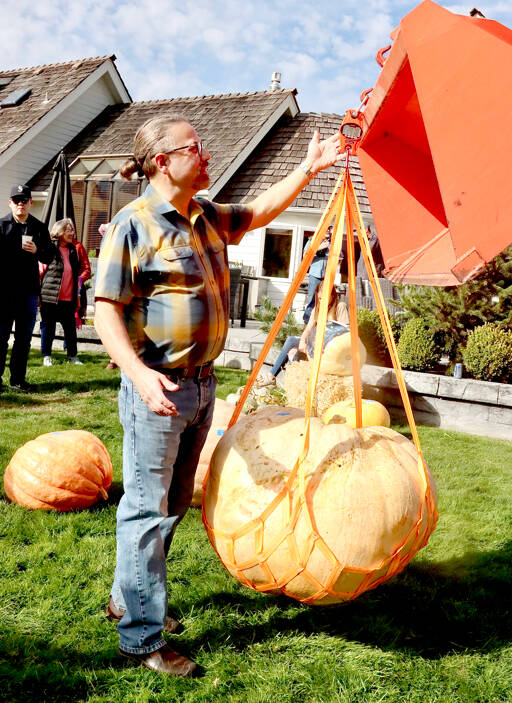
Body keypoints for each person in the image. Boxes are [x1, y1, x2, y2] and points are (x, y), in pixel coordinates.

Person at [94, 113, 342, 676]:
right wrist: (136, 373)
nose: (206, 155)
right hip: (158, 388)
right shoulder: (132, 226)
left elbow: (257, 213)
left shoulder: (204, 215)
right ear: (164, 161)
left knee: (175, 504)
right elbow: (105, 308)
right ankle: (141, 638)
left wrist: (307, 167)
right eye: (196, 146)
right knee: (144, 510)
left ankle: (125, 599)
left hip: (202, 387)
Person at [0, 185, 54, 391]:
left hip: (28, 292)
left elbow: (50, 256)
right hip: (4, 292)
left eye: (24, 200)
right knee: (1, 337)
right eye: (16, 200)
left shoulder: (39, 228)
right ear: (10, 203)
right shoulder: (1, 226)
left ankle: (17, 381)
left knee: (23, 339)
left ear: (31, 202)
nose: (20, 204)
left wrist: (37, 250)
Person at [260, 285, 349, 384]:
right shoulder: (317, 308)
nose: (321, 301)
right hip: (316, 342)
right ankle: (272, 376)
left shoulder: (340, 306)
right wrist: (302, 341)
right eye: (319, 298)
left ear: (332, 296)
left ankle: (285, 378)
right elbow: (307, 330)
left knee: (294, 353)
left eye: (325, 298)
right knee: (291, 341)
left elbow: (345, 330)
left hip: (331, 346)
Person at [40, 218, 86, 366]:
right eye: (68, 230)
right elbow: (40, 271)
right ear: (59, 232)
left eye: (72, 230)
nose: (72, 233)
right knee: (49, 327)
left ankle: (72, 356)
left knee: (70, 329)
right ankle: (47, 356)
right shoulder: (49, 248)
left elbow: (76, 274)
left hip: (69, 297)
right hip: (50, 296)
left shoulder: (73, 250)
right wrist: (38, 295)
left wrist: (77, 296)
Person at [302, 226, 332, 323]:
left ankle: (319, 322)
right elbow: (305, 255)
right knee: (312, 299)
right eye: (326, 228)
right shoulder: (313, 240)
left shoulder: (332, 242)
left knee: (325, 300)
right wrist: (320, 247)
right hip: (315, 274)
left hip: (326, 276)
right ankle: (307, 321)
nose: (328, 230)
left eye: (329, 229)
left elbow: (339, 255)